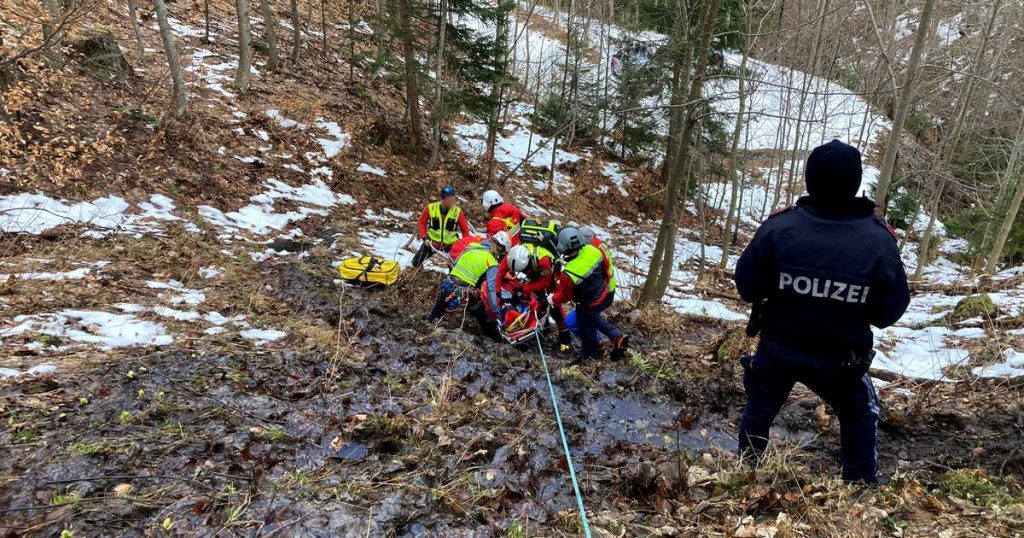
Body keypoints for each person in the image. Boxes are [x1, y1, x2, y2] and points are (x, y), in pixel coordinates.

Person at [734, 139, 911, 484]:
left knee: (758, 409)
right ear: (856, 182)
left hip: (780, 347)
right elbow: (889, 312)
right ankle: (859, 490)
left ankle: (745, 476)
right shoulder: (879, 241)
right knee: (860, 414)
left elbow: (747, 286)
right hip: (840, 358)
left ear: (809, 178)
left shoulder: (779, 228)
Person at [551, 227, 628, 360]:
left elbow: (566, 296)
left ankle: (590, 356)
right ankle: (615, 336)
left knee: (587, 328)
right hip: (603, 293)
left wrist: (552, 299)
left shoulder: (568, 273)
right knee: (590, 318)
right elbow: (606, 268)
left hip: (588, 302)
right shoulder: (594, 250)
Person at [428, 231, 512, 340]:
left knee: (435, 314)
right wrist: (496, 312)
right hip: (466, 293)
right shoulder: (492, 263)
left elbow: (455, 262)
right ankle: (496, 339)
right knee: (482, 315)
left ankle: (430, 326)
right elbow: (491, 290)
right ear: (500, 250)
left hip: (449, 284)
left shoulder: (472, 246)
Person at [502, 243, 573, 350]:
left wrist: (524, 288)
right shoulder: (516, 254)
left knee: (554, 307)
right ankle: (540, 328)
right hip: (536, 276)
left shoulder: (543, 260)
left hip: (552, 280)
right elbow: (502, 271)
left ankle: (565, 339)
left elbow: (545, 283)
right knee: (535, 303)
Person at [413, 186, 471, 267]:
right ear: (443, 199)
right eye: (450, 200)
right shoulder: (431, 208)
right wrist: (424, 237)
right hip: (431, 243)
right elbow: (422, 222)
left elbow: (465, 230)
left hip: (450, 245)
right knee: (416, 262)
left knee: (456, 266)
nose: (452, 203)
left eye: (453, 200)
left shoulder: (457, 211)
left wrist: (466, 244)